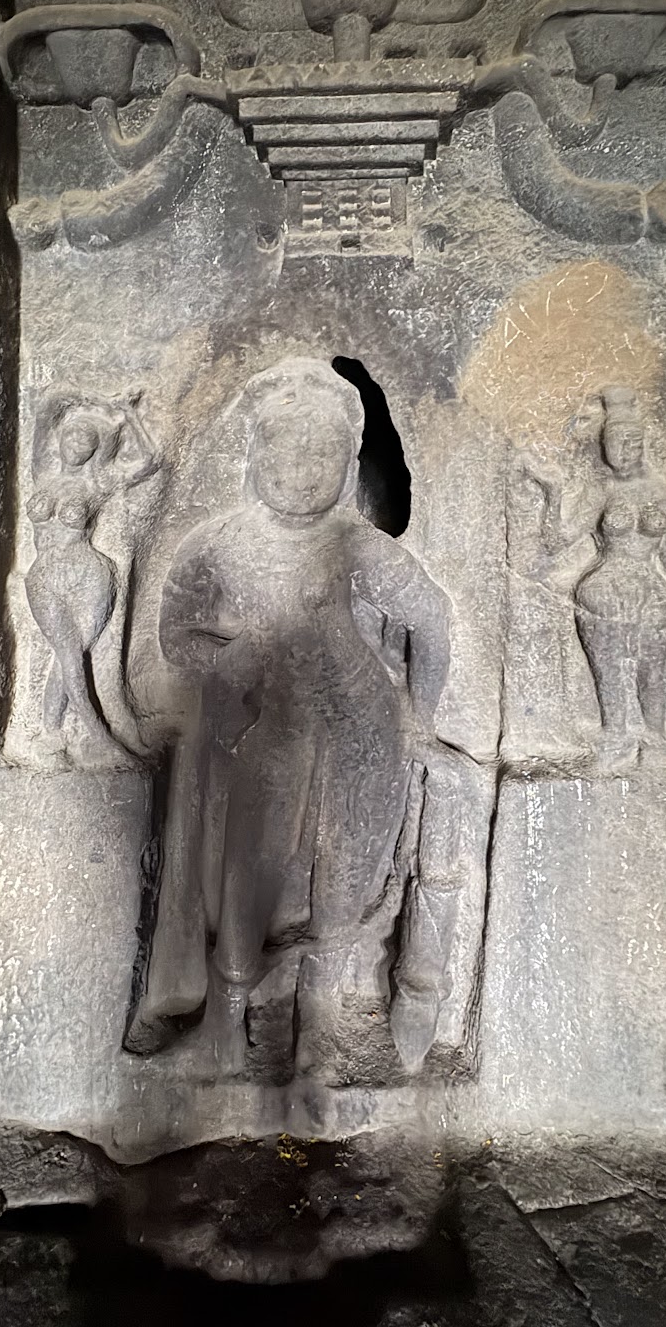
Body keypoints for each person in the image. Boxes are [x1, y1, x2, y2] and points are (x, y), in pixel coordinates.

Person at [132, 359, 450, 1078]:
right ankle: (226, 1018)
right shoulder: (217, 544)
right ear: (255, 452)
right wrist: (225, 656)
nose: (304, 468)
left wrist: (421, 716)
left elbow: (431, 618)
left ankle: (320, 1029)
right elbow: (174, 636)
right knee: (246, 875)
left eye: (323, 451)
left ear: (347, 461)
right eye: (287, 447)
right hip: (263, 734)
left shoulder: (358, 543)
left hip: (360, 730)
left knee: (345, 879)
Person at [518, 386, 666, 774]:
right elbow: (559, 541)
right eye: (614, 443)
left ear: (643, 444)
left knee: (652, 671)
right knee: (608, 672)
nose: (623, 451)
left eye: (631, 442)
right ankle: (615, 735)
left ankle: (654, 735)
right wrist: (553, 492)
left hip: (652, 594)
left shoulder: (662, 494)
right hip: (603, 591)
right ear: (604, 447)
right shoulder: (601, 491)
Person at [24, 391, 159, 765]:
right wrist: (80, 397)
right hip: (46, 577)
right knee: (68, 654)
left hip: (90, 577)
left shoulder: (96, 484)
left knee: (68, 658)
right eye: (72, 435)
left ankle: (51, 735)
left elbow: (147, 462)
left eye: (87, 439)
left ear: (96, 449)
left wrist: (128, 416)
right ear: (61, 439)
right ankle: (103, 740)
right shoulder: (44, 473)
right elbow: (45, 412)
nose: (77, 443)